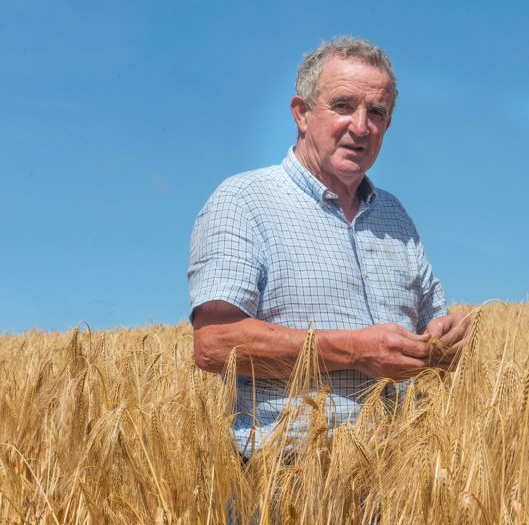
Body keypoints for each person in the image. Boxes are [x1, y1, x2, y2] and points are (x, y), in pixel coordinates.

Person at [188, 36, 468, 457]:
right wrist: (356, 351)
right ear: (301, 113)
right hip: (283, 476)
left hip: (400, 474)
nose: (361, 126)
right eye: (343, 106)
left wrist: (447, 338)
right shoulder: (243, 201)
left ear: (388, 125)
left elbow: (433, 321)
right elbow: (214, 344)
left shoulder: (395, 217)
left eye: (377, 112)